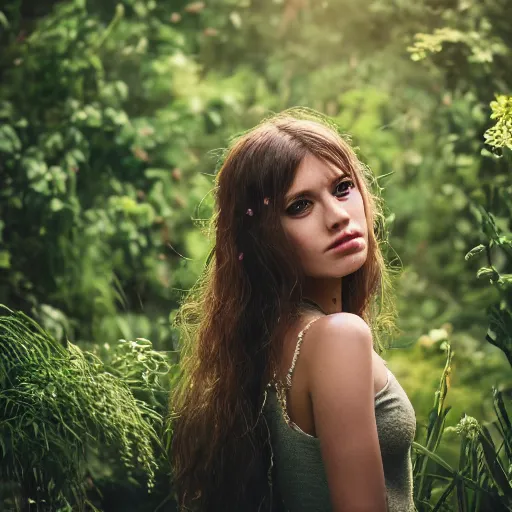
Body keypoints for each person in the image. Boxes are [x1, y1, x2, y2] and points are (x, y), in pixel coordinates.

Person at [169, 108, 417, 511]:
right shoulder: (338, 337)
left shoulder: (268, 339)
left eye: (342, 188)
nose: (338, 217)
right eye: (300, 206)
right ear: (263, 236)